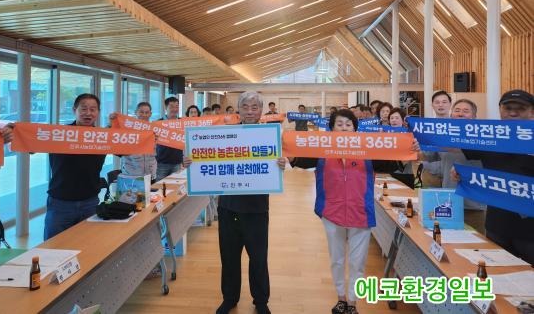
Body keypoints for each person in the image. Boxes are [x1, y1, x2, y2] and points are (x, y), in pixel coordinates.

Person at [290, 109, 419, 314]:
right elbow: (299, 160)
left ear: (355, 129)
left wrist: (409, 151)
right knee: (337, 259)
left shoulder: (367, 150)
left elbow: (390, 163)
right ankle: (341, 297)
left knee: (358, 262)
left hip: (361, 213)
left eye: (348, 124)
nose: (344, 128)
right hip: (331, 212)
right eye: (339, 124)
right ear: (331, 128)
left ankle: (352, 302)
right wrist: (287, 155)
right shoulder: (322, 149)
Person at [183, 92, 285, 314]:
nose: (250, 111)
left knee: (258, 258)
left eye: (254, 107)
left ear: (261, 111)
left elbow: (281, 164)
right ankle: (229, 298)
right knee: (229, 257)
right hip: (228, 207)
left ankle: (261, 301)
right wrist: (191, 161)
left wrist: (281, 163)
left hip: (257, 208)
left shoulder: (270, 136)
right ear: (239, 109)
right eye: (245, 107)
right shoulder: (225, 135)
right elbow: (205, 156)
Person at [1, 94, 107, 240]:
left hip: (90, 202)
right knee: (53, 246)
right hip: (60, 203)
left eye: (93, 109)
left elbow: (126, 148)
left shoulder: (104, 137)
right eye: (83, 109)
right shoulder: (58, 134)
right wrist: (14, 131)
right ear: (74, 110)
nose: (88, 113)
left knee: (87, 244)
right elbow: (30, 145)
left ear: (98, 112)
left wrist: (122, 127)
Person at [453, 90, 534, 264]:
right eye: (508, 108)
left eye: (520, 108)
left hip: (530, 232)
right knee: (497, 274)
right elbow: (455, 146)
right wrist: (461, 174)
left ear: (532, 112)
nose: (513, 113)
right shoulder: (490, 136)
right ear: (500, 110)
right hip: (497, 226)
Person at [421, 99, 486, 232]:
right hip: (449, 201)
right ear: (451, 115)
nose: (460, 114)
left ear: (474, 116)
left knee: (475, 242)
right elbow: (427, 156)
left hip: (473, 204)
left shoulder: (482, 138)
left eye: (466, 111)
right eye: (457, 110)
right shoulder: (443, 136)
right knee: (447, 239)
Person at [110, 102, 157, 178]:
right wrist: (113, 122)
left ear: (150, 114)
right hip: (131, 174)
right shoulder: (127, 129)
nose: (144, 115)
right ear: (136, 112)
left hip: (150, 174)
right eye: (141, 112)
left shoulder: (155, 130)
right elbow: (116, 146)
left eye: (147, 112)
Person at [156, 96, 183, 181]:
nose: (174, 109)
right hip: (161, 163)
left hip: (177, 162)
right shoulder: (158, 123)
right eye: (171, 106)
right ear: (166, 108)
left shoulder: (182, 122)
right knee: (159, 186)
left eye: (176, 106)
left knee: (175, 185)